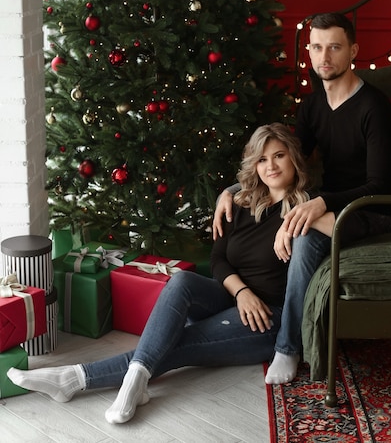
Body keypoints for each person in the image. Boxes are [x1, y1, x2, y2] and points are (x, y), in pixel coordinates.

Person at [8, 123, 331, 426]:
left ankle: (76, 378)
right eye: (262, 159)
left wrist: (254, 292)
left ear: (294, 159)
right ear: (254, 166)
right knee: (181, 281)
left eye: (279, 156)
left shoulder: (307, 212)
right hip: (233, 297)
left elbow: (341, 226)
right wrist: (240, 292)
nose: (271, 166)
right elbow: (218, 259)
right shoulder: (240, 202)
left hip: (265, 319)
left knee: (180, 344)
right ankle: (134, 376)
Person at [213, 12, 391, 385]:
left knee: (304, 230)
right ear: (309, 53)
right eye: (316, 47)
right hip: (327, 203)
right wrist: (231, 191)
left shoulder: (374, 108)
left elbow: (378, 186)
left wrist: (319, 204)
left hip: (369, 209)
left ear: (353, 51)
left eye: (334, 47)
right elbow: (287, 164)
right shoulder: (312, 107)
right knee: (298, 218)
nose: (324, 56)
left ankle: (288, 346)